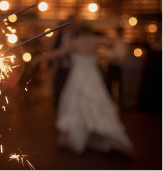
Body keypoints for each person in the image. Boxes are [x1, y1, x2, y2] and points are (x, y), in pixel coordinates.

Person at [33, 24, 133, 155]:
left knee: (73, 104)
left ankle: (76, 138)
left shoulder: (74, 42)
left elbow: (57, 54)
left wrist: (40, 58)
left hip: (78, 77)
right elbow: (112, 43)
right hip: (93, 76)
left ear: (78, 32)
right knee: (97, 103)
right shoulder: (94, 40)